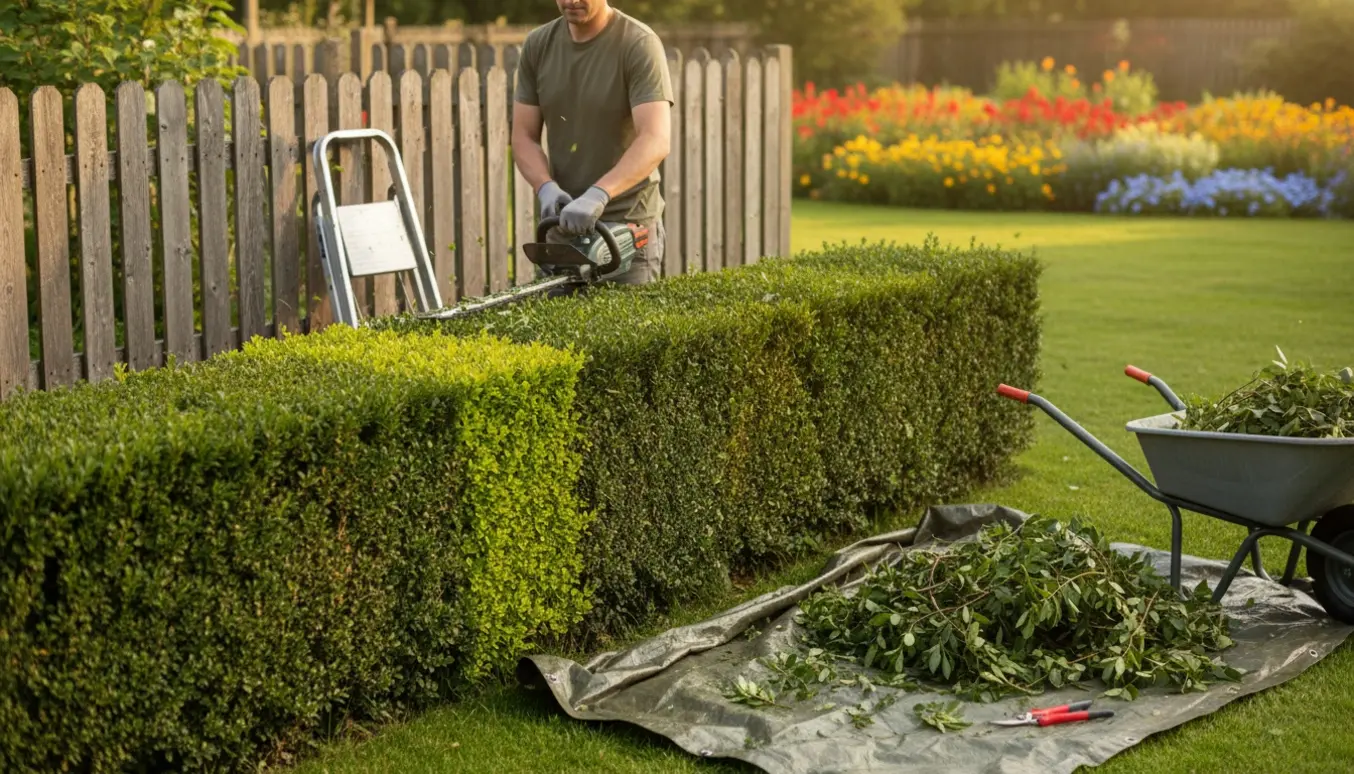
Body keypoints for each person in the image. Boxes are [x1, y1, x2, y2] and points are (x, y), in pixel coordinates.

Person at [511, 0, 673, 286]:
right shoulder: (539, 45)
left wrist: (599, 194)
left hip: (624, 233)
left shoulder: (638, 43)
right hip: (563, 231)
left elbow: (655, 139)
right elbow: (524, 136)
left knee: (627, 331)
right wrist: (545, 187)